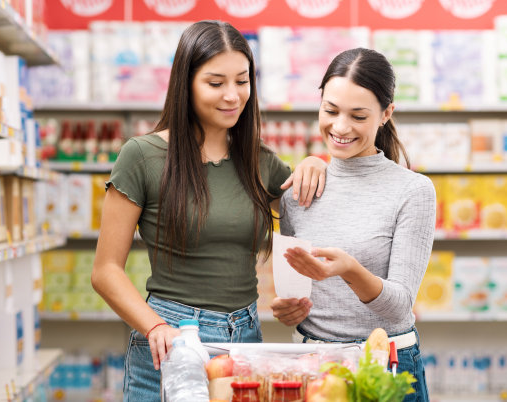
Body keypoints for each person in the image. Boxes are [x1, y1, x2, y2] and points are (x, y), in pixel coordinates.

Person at [91, 20, 327, 401]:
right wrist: (154, 328)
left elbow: (316, 220)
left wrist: (315, 164)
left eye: (242, 81)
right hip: (171, 341)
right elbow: (104, 271)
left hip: (245, 341)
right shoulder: (142, 156)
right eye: (215, 83)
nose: (232, 96)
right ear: (185, 84)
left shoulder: (260, 161)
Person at [271, 48, 435, 402]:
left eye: (358, 116)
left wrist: (348, 270)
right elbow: (296, 290)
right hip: (310, 364)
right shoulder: (299, 189)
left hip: (384, 364)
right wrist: (289, 309)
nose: (340, 127)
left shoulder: (413, 190)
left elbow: (399, 306)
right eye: (330, 111)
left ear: (386, 114)